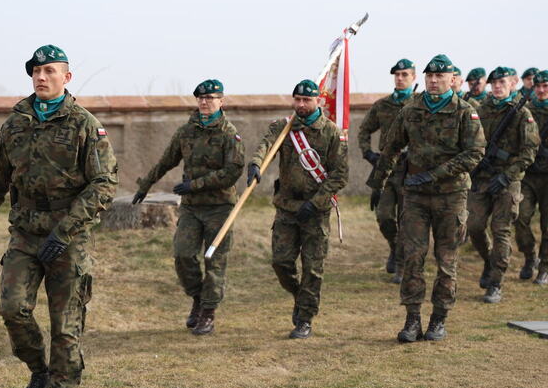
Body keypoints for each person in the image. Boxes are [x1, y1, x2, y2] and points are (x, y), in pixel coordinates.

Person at [0, 45, 118, 388]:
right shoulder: (15, 124)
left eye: (49, 71)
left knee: (66, 326)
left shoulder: (83, 124)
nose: (41, 77)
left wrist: (65, 232)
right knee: (13, 309)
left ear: (66, 77)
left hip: (68, 237)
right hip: (26, 234)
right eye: (35, 72)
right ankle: (38, 372)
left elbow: (104, 183)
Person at [367, 54, 485, 342]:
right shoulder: (411, 110)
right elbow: (391, 147)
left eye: (440, 77)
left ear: (451, 79)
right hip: (416, 197)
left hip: (451, 196)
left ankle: (439, 319)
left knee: (446, 260)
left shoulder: (464, 112)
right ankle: (412, 320)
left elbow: (475, 153)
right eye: (430, 76)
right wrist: (377, 183)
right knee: (412, 258)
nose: (433, 81)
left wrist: (435, 174)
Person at [133, 79, 244, 335]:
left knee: (214, 260)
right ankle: (197, 298)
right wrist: (145, 185)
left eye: (210, 98)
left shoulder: (229, 134)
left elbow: (231, 173)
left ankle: (208, 312)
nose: (205, 102)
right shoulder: (187, 131)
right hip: (192, 209)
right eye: (201, 98)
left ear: (221, 101)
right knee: (183, 256)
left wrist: (195, 185)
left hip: (220, 208)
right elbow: (166, 161)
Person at [248, 80, 348, 339]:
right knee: (281, 263)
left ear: (318, 101)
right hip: (286, 208)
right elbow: (266, 145)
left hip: (316, 211)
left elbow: (339, 176)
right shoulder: (284, 127)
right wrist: (256, 165)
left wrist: (314, 203)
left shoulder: (331, 133)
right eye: (297, 100)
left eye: (306, 100)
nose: (301, 105)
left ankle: (305, 318)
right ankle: (299, 295)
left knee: (313, 268)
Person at [467, 66, 538, 303]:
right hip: (483, 179)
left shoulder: (521, 113)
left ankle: (496, 282)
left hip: (508, 182)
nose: (497, 87)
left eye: (502, 83)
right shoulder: (481, 110)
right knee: (474, 226)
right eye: (494, 83)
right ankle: (489, 262)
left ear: (512, 84)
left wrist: (507, 176)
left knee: (501, 231)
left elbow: (529, 151)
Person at [357, 58, 417, 283]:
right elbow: (364, 130)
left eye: (405, 75)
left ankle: (402, 266)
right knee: (384, 216)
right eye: (397, 75)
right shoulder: (383, 105)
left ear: (413, 77)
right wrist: (368, 153)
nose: (400, 79)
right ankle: (394, 247)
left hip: (409, 169)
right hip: (385, 169)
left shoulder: (419, 104)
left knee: (406, 220)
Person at [514, 69, 548, 284]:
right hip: (528, 174)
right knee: (520, 218)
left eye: (546, 86)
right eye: (538, 86)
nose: (542, 90)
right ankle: (530, 256)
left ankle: (544, 267)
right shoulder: (526, 110)